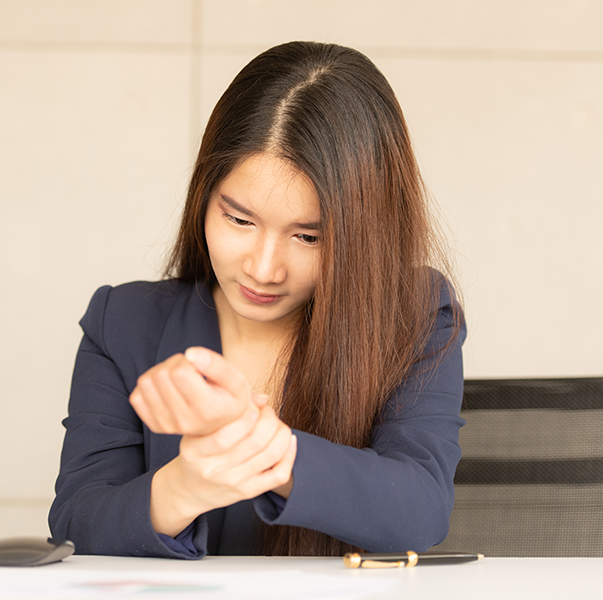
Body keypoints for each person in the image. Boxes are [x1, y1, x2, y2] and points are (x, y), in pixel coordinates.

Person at [48, 41, 466, 558]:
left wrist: (267, 450)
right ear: (205, 193)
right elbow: (75, 521)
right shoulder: (124, 323)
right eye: (239, 220)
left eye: (309, 237)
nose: (263, 268)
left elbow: (420, 510)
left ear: (367, 233)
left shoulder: (416, 316)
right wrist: (185, 486)